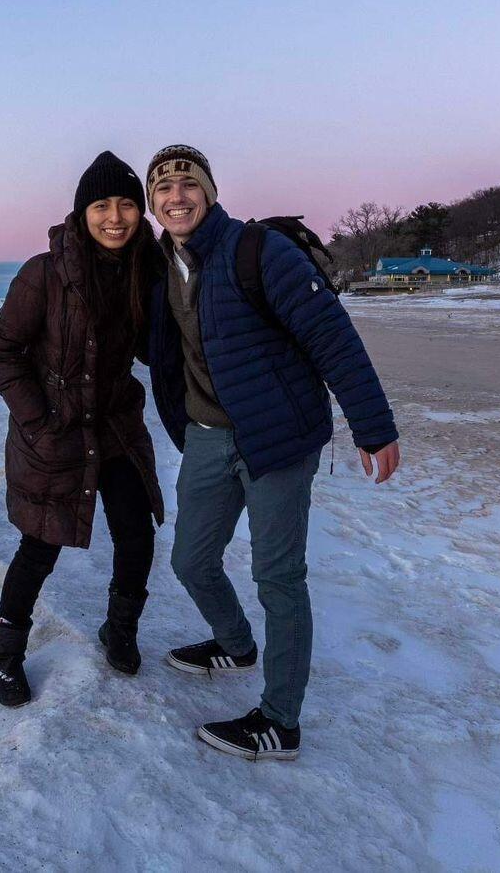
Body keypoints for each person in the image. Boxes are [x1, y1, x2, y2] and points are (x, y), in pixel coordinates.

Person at [144, 144, 401, 760]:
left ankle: (280, 720)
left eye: (188, 185)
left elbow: (331, 336)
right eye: (164, 190)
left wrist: (374, 424)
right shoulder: (160, 266)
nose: (176, 197)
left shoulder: (260, 251)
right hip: (208, 436)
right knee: (190, 559)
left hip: (278, 438)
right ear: (153, 204)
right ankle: (234, 643)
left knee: (278, 578)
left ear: (208, 192)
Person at [0, 151, 166, 707]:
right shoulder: (45, 273)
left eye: (128, 204)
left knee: (137, 534)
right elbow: (2, 349)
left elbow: (160, 348)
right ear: (82, 213)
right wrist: (37, 420)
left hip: (115, 426)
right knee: (40, 543)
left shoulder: (147, 269)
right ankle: (5, 653)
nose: (116, 216)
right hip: (56, 433)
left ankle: (120, 630)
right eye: (102, 205)